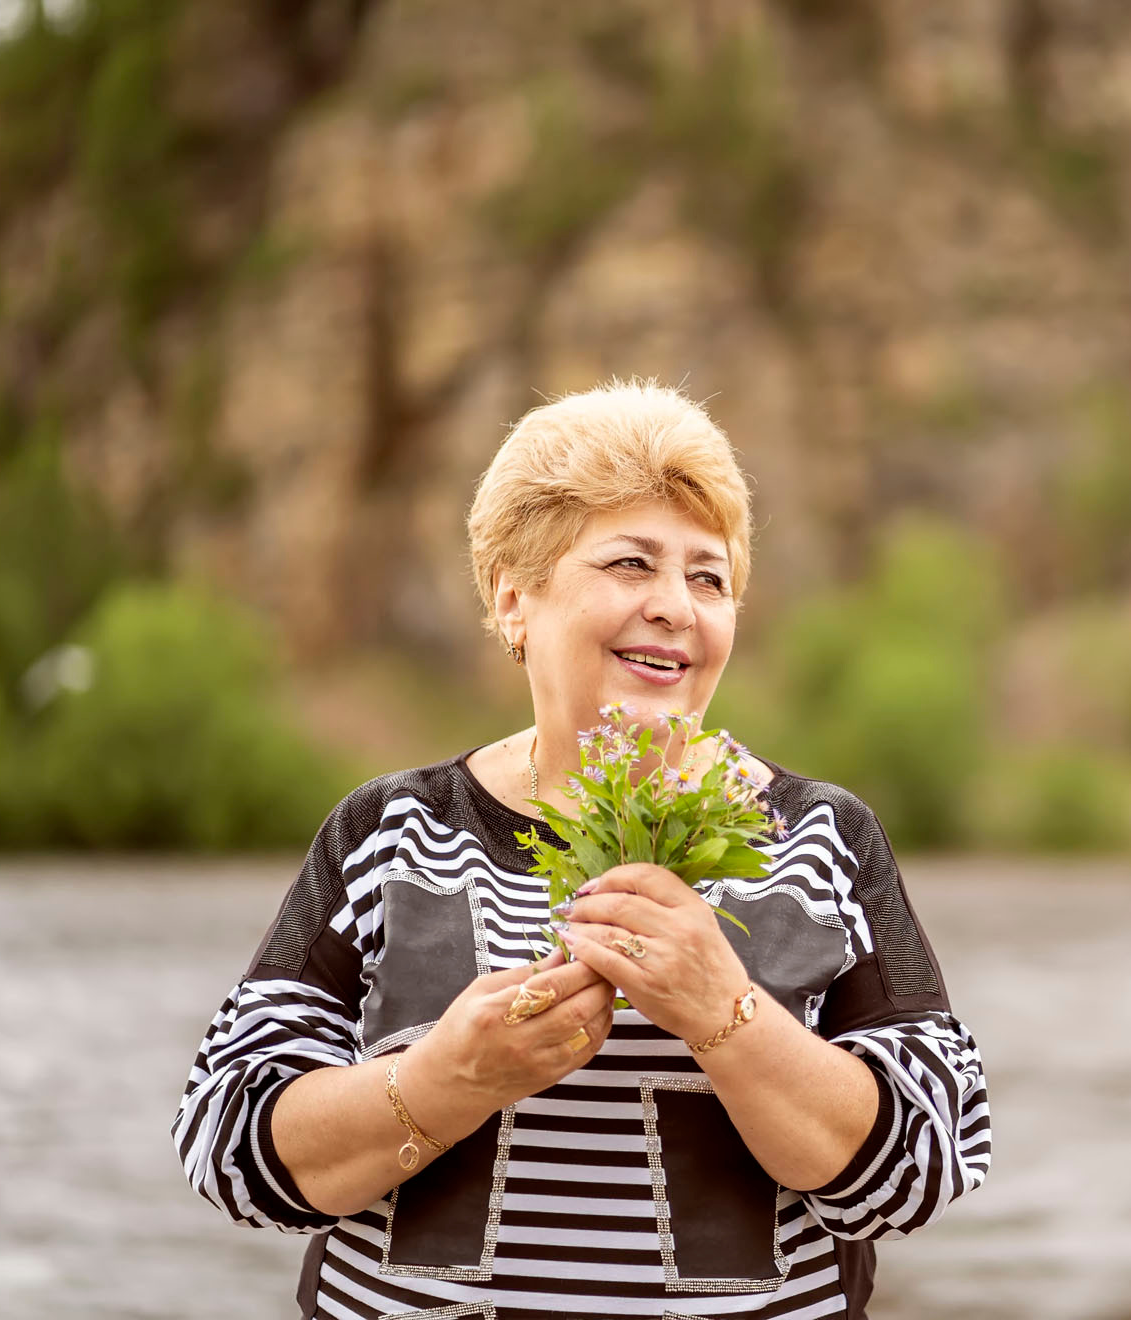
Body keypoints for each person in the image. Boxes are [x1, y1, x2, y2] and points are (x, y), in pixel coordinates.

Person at [174, 381, 991, 1319]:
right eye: (631, 563)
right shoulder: (390, 831)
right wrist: (444, 1081)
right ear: (513, 598)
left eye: (709, 578)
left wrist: (726, 1016)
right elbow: (227, 1142)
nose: (676, 607)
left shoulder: (821, 838)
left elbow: (928, 1167)